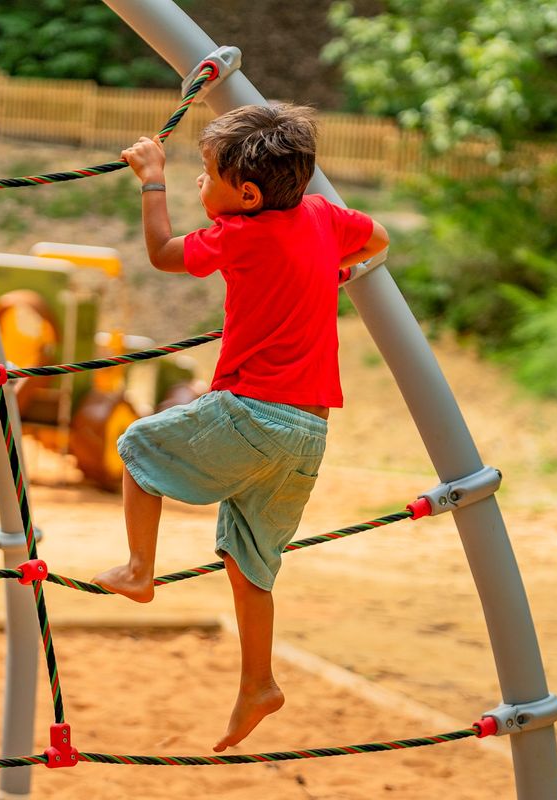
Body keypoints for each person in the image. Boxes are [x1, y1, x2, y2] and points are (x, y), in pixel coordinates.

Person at [92, 103, 389, 752]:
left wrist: (151, 178)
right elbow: (377, 240)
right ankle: (259, 682)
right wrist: (328, 276)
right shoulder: (319, 217)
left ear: (247, 195)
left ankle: (139, 568)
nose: (200, 183)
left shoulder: (241, 235)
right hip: (309, 433)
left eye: (206, 174)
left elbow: (165, 254)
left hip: (254, 410)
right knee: (249, 559)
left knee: (139, 444)